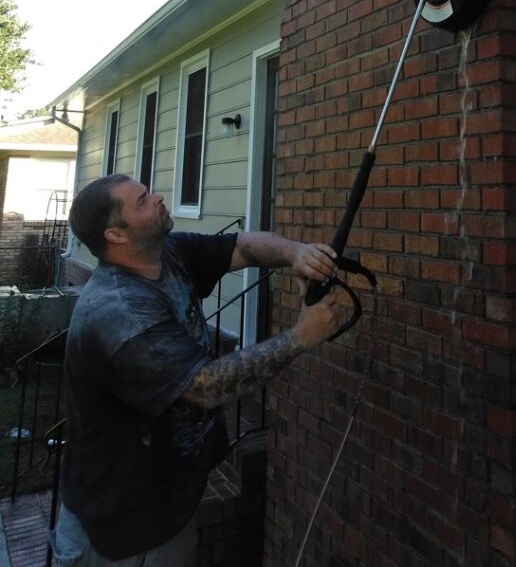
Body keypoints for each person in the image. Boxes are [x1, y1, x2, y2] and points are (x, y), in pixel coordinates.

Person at [49, 173, 344, 567]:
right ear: (116, 235)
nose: (157, 198)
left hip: (166, 506)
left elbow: (241, 246)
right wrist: (300, 337)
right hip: (123, 532)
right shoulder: (120, 313)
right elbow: (204, 387)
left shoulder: (167, 253)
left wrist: (297, 252)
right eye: (142, 201)